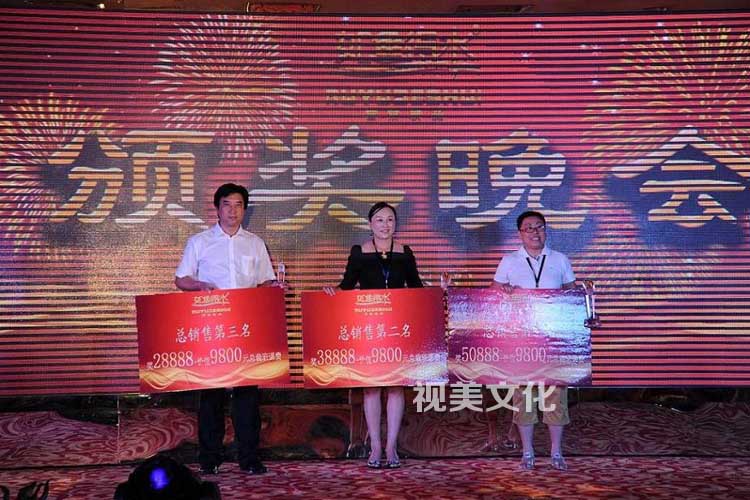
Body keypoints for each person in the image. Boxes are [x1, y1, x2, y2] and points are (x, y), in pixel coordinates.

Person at [175, 183, 282, 476]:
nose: (232, 211)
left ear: (244, 209)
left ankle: (249, 458)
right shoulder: (199, 242)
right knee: (211, 395)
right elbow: (181, 279)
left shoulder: (255, 243)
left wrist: (274, 287)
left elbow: (264, 282)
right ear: (217, 208)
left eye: (238, 205)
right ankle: (210, 458)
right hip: (212, 327)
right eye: (227, 204)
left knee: (247, 396)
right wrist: (199, 285)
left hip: (246, 327)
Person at [324, 202, 422, 469]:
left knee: (396, 386)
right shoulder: (359, 252)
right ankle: (375, 446)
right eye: (379, 220)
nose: (385, 225)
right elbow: (346, 286)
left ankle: (391, 447)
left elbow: (416, 288)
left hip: (397, 327)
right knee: (371, 386)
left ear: (395, 224)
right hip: (369, 328)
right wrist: (333, 292)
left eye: (390, 219)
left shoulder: (405, 252)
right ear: (370, 224)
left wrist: (439, 291)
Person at [491, 210, 576, 471]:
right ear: (520, 233)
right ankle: (527, 452)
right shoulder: (509, 261)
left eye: (539, 227)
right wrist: (505, 292)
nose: (535, 232)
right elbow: (495, 292)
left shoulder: (560, 259)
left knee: (555, 394)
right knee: (524, 396)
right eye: (529, 228)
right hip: (522, 339)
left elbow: (571, 294)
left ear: (545, 230)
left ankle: (556, 452)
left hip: (554, 339)